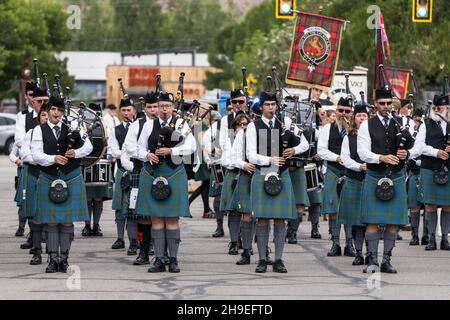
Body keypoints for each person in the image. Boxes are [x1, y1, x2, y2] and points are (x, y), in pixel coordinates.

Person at [31, 96, 93, 273]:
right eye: (52, 109)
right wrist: (52, 158)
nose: (56, 113)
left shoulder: (73, 128)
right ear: (48, 111)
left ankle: (64, 259)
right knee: (51, 222)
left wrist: (76, 152)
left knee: (66, 222)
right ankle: (52, 259)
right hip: (49, 177)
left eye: (59, 110)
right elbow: (36, 155)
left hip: (71, 177)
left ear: (63, 112)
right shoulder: (38, 130)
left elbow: (88, 147)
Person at [135, 92, 196, 273]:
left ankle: (173, 259)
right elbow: (136, 147)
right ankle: (159, 259)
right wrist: (146, 154)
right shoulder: (147, 125)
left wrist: (171, 151)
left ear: (172, 107)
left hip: (174, 173)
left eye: (167, 106)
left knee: (171, 219)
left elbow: (191, 146)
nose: (163, 109)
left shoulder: (181, 124)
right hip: (153, 174)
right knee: (156, 220)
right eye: (161, 106)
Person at [246, 92, 305, 273]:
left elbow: (305, 144)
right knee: (262, 219)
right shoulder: (253, 126)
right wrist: (269, 160)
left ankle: (279, 260)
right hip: (263, 173)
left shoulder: (286, 124)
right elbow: (250, 155)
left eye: (273, 104)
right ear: (261, 107)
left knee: (280, 219)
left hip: (283, 174)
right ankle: (263, 259)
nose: (271, 108)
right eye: (267, 105)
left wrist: (293, 150)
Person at [357, 86, 413, 273]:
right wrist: (381, 157)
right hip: (375, 175)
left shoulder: (401, 123)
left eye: (389, 103)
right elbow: (362, 152)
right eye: (382, 103)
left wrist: (408, 153)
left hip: (396, 176)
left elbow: (416, 146)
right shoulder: (367, 124)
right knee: (373, 221)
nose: (386, 106)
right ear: (375, 105)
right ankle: (372, 260)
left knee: (392, 222)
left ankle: (386, 259)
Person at [122, 92, 160, 264]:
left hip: (163, 172)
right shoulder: (137, 124)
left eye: (156, 106)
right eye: (150, 107)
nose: (153, 110)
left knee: (160, 214)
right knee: (143, 214)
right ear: (145, 108)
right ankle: (143, 252)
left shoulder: (169, 123)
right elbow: (129, 147)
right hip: (141, 170)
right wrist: (146, 155)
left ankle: (160, 250)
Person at [318, 97, 356, 257]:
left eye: (347, 111)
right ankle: (335, 243)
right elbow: (321, 150)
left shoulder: (355, 130)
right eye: (340, 111)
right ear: (336, 111)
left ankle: (349, 244)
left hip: (351, 173)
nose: (343, 114)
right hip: (333, 170)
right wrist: (337, 158)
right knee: (333, 209)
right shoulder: (327, 128)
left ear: (351, 112)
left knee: (349, 209)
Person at [413, 92, 450, 251]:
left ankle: (445, 239)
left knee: (448, 205)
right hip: (429, 167)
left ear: (447, 108)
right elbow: (419, 146)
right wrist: (436, 152)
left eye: (439, 107)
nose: (436, 110)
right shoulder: (425, 124)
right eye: (434, 107)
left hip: (448, 169)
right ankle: (431, 238)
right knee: (430, 205)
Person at [17, 85, 49, 250]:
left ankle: (47, 238)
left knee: (48, 206)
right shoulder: (23, 118)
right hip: (31, 167)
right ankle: (33, 238)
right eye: (39, 100)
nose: (42, 103)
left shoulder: (57, 121)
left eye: (45, 100)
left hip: (49, 171)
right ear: (32, 100)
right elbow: (20, 143)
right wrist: (42, 159)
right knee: (30, 206)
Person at [337, 103, 368, 265]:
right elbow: (345, 159)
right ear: (354, 119)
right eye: (359, 116)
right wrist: (359, 166)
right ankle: (358, 253)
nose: (362, 118)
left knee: (370, 221)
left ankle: (371, 253)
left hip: (371, 182)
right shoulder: (349, 138)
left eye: (364, 116)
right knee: (356, 222)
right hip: (354, 180)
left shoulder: (374, 136)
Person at [219, 89, 248, 255]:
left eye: (241, 101)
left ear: (246, 102)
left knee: (247, 210)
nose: (238, 105)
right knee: (233, 209)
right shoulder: (225, 121)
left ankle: (246, 240)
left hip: (248, 172)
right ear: (231, 103)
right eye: (235, 102)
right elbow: (222, 144)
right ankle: (233, 241)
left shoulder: (253, 119)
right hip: (232, 168)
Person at [82, 103, 113, 237]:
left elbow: (109, 142)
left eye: (96, 114)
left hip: (100, 162)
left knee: (99, 197)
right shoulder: (82, 126)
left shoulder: (105, 126)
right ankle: (87, 225)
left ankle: (96, 225)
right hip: (86, 163)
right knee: (88, 197)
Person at [189, 104, 215, 219]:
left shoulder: (199, 124)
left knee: (206, 184)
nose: (210, 113)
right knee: (206, 183)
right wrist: (208, 159)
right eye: (208, 111)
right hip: (203, 157)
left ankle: (206, 209)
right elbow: (202, 143)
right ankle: (205, 210)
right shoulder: (200, 124)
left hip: (203, 156)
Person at [202, 111, 225, 237]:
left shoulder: (244, 123)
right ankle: (219, 226)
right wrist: (208, 159)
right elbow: (206, 146)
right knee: (218, 195)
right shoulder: (214, 128)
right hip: (218, 165)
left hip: (237, 165)